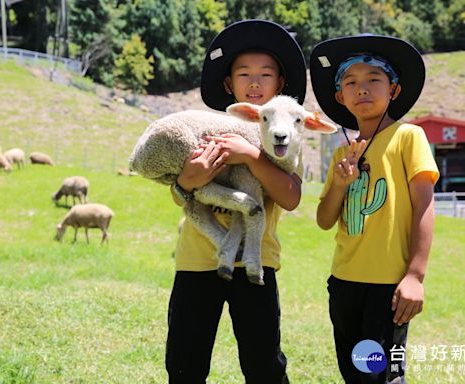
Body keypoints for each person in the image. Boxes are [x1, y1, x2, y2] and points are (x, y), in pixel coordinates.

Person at [165, 19, 306, 384]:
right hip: (197, 260)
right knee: (184, 359)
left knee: (263, 363)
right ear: (229, 83)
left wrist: (250, 154)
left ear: (281, 83)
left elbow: (291, 198)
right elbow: (182, 195)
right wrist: (186, 180)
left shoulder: (285, 136)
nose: (254, 82)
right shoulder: (204, 130)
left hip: (257, 263)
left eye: (265, 74)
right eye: (244, 73)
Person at [310, 34, 440, 383]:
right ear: (340, 97)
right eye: (351, 82)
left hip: (389, 286)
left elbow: (424, 205)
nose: (362, 89)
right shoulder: (341, 154)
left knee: (380, 375)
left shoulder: (407, 137)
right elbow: (324, 220)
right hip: (344, 283)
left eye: (373, 80)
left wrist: (415, 275)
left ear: (394, 90)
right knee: (353, 373)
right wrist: (339, 184)